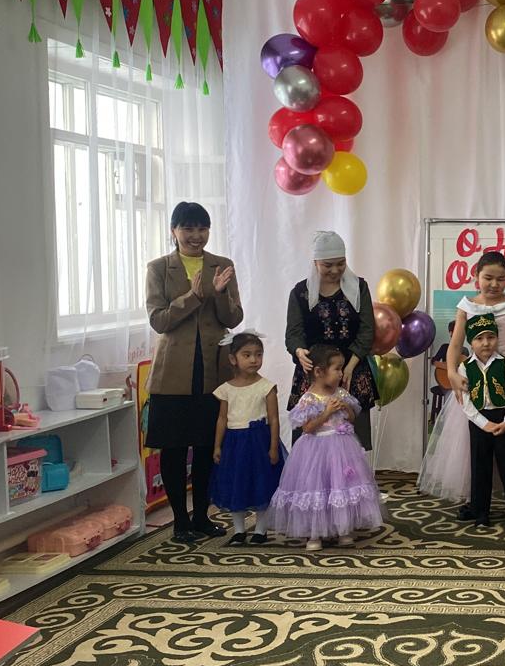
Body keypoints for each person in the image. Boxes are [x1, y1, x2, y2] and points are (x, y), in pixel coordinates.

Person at [145, 201, 242, 543]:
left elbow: (233, 318)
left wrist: (218, 295)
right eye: (188, 228)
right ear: (173, 231)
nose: (196, 235)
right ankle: (180, 521)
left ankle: (202, 516)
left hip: (212, 368)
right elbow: (159, 320)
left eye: (202, 228)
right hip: (173, 373)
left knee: (206, 446)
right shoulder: (159, 268)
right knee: (173, 448)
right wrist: (193, 296)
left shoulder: (222, 265)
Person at [418, 252, 505, 500]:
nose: (494, 284)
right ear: (476, 276)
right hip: (477, 377)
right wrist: (451, 373)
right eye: (488, 277)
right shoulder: (466, 306)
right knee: (477, 439)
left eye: (500, 279)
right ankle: (478, 500)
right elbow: (455, 345)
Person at [265, 345, 385, 550]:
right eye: (337, 369)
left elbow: (351, 417)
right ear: (319, 372)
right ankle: (314, 533)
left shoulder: (341, 393)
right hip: (316, 450)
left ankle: (343, 530)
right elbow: (307, 428)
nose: (341, 373)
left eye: (341, 368)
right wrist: (327, 412)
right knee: (317, 489)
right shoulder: (308, 398)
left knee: (341, 487)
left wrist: (346, 407)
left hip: (342, 448)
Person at [286, 231, 378, 450]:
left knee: (353, 442)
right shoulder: (300, 292)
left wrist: (350, 366)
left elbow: (367, 330)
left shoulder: (359, 287)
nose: (335, 270)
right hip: (315, 374)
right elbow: (293, 333)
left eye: (341, 263)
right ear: (315, 263)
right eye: (328, 265)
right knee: (310, 441)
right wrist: (299, 351)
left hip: (352, 371)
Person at [211, 332, 284, 546]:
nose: (254, 360)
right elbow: (222, 419)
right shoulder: (226, 389)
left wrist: (273, 447)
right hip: (234, 444)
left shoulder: (266, 387)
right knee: (236, 483)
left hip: (259, 442)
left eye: (258, 354)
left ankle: (260, 529)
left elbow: (274, 419)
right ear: (233, 359)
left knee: (261, 483)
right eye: (247, 355)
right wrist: (217, 446)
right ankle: (239, 530)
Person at [457, 313, 505, 528]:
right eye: (479, 338)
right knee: (480, 466)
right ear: (470, 342)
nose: (485, 343)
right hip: (479, 421)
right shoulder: (464, 367)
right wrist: (483, 423)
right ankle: (481, 513)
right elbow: (466, 402)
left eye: (490, 337)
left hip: (503, 418)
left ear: (497, 338)